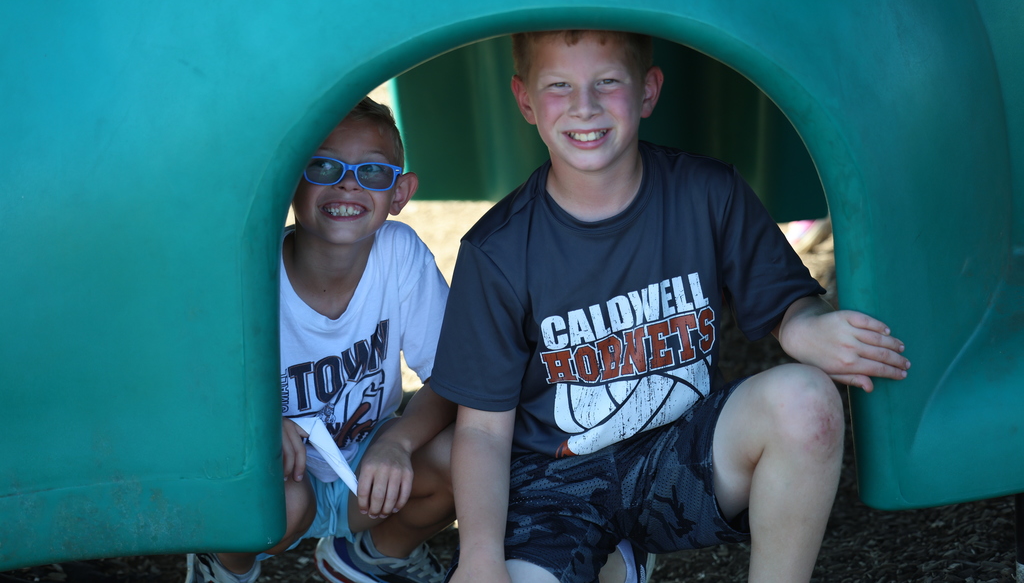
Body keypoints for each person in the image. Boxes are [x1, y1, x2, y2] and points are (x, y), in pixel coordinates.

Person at [428, 30, 911, 583]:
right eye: (559, 86)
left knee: (806, 400)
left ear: (648, 91)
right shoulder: (497, 251)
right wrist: (481, 557)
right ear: (525, 100)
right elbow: (483, 432)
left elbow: (787, 305)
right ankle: (611, 556)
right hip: (552, 488)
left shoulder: (708, 192)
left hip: (677, 460)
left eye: (607, 83)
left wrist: (808, 327)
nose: (585, 106)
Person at [186, 97, 456, 583]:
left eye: (373, 173)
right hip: (280, 475)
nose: (348, 183)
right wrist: (258, 422)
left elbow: (454, 377)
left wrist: (397, 440)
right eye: (324, 167)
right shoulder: (253, 269)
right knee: (280, 499)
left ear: (400, 192)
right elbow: (194, 385)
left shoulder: (399, 254)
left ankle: (374, 556)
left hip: (367, 471)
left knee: (464, 457)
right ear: (289, 180)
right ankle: (224, 568)